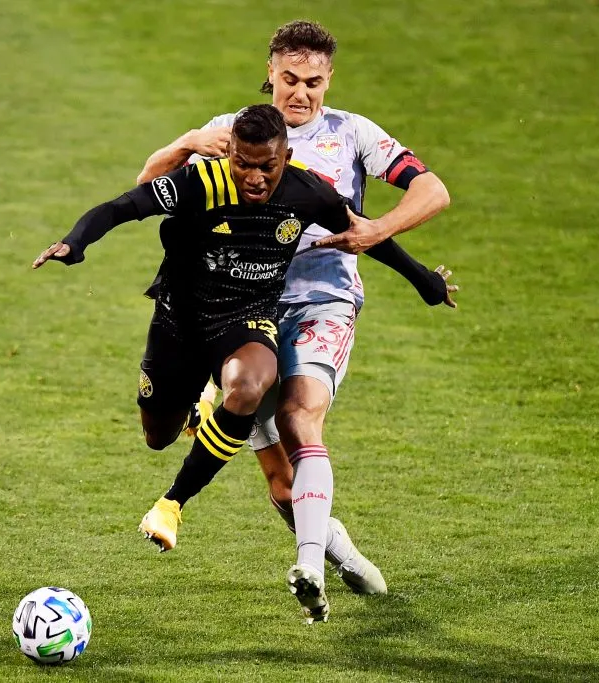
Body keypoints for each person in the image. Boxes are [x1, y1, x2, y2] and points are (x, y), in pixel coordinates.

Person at [35, 104, 448, 624]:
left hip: (247, 321)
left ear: (286, 157)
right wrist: (76, 242)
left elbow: (363, 232)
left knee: (251, 387)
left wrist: (423, 281)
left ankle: (172, 504)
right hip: (179, 324)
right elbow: (121, 206)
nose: (255, 178)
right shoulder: (197, 182)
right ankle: (194, 411)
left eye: (267, 166)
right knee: (157, 436)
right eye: (244, 164)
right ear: (230, 154)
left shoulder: (307, 190)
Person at [135, 20, 454, 616]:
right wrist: (184, 144)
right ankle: (338, 550)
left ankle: (308, 562)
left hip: (321, 303)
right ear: (270, 72)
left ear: (329, 79)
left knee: (302, 418)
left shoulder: (353, 134)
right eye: (288, 79)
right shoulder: (235, 131)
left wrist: (377, 229)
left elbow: (432, 191)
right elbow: (150, 186)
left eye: (313, 81)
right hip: (241, 310)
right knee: (281, 484)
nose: (300, 93)